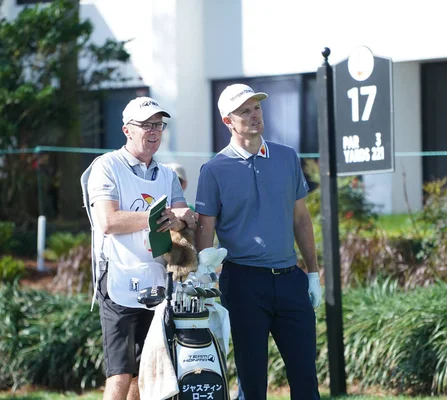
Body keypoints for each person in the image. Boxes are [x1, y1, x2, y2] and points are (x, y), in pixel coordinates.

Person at [194, 84, 323, 400]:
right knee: (252, 384)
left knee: (306, 379)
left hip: (290, 279)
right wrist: (204, 279)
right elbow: (204, 232)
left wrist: (313, 274)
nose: (254, 116)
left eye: (256, 108)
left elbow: (301, 219)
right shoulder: (213, 170)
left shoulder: (286, 157)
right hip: (243, 283)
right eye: (244, 111)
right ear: (228, 121)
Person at [81, 96, 199, 400]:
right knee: (119, 375)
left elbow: (186, 220)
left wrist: (180, 221)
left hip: (159, 283)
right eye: (146, 125)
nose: (154, 131)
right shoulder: (107, 166)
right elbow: (107, 220)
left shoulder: (168, 175)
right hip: (119, 280)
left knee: (146, 373)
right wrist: (161, 217)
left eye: (159, 125)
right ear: (126, 130)